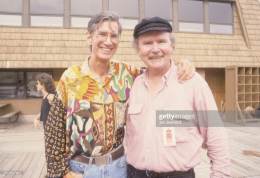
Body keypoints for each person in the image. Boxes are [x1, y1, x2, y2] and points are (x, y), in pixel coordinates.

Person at [49, 11, 195, 178]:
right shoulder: (70, 78)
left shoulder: (128, 74)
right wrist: (61, 173)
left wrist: (180, 64)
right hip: (80, 169)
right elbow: (54, 129)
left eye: (114, 36)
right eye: (102, 34)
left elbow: (158, 69)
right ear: (89, 37)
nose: (108, 41)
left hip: (119, 168)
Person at [125, 17, 231, 178]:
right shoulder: (132, 84)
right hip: (134, 174)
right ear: (138, 49)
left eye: (161, 41)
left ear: (172, 45)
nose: (155, 49)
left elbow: (216, 136)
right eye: (147, 43)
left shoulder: (193, 83)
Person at [33, 73, 63, 178]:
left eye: (37, 83)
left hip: (53, 133)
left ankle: (55, 174)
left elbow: (59, 113)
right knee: (49, 153)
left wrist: (55, 133)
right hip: (47, 130)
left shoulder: (51, 97)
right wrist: (36, 118)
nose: (36, 85)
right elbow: (45, 111)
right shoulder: (46, 97)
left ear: (43, 84)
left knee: (53, 154)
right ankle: (51, 173)